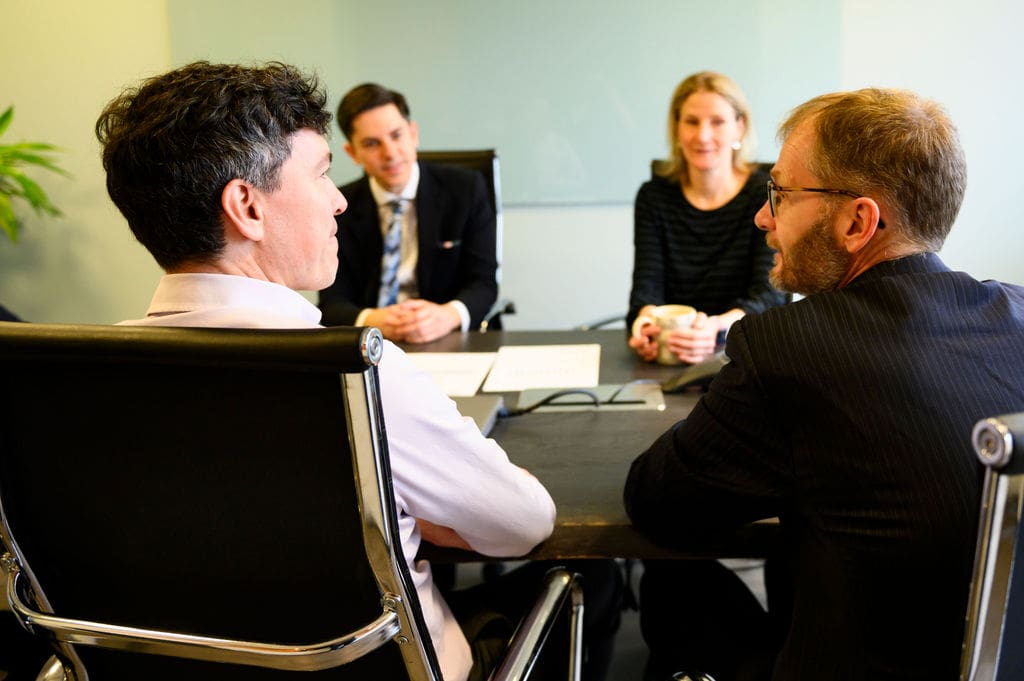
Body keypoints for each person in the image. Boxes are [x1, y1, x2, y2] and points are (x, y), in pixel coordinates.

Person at [96, 61, 554, 681]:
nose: (341, 200)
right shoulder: (357, 373)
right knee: (580, 584)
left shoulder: (68, 379)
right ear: (247, 207)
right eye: (321, 175)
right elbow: (523, 524)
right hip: (386, 667)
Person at [624, 87, 1024, 681]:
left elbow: (657, 501)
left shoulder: (788, 348)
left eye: (781, 194)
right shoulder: (1018, 314)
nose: (764, 216)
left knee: (673, 586)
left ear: (857, 221)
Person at [318, 83, 498, 343]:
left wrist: (448, 315)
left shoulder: (465, 190)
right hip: (371, 342)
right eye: (371, 143)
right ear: (352, 153)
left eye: (397, 135)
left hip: (445, 338)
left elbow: (483, 283)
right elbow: (332, 300)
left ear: (413, 134)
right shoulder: (338, 205)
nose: (390, 153)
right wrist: (372, 320)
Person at [628, 71, 785, 365]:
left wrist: (715, 328)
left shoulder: (765, 195)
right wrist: (647, 327)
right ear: (676, 128)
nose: (702, 135)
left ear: (739, 127)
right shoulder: (654, 197)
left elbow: (769, 295)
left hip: (746, 355)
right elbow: (645, 291)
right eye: (691, 122)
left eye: (717, 122)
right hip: (672, 356)